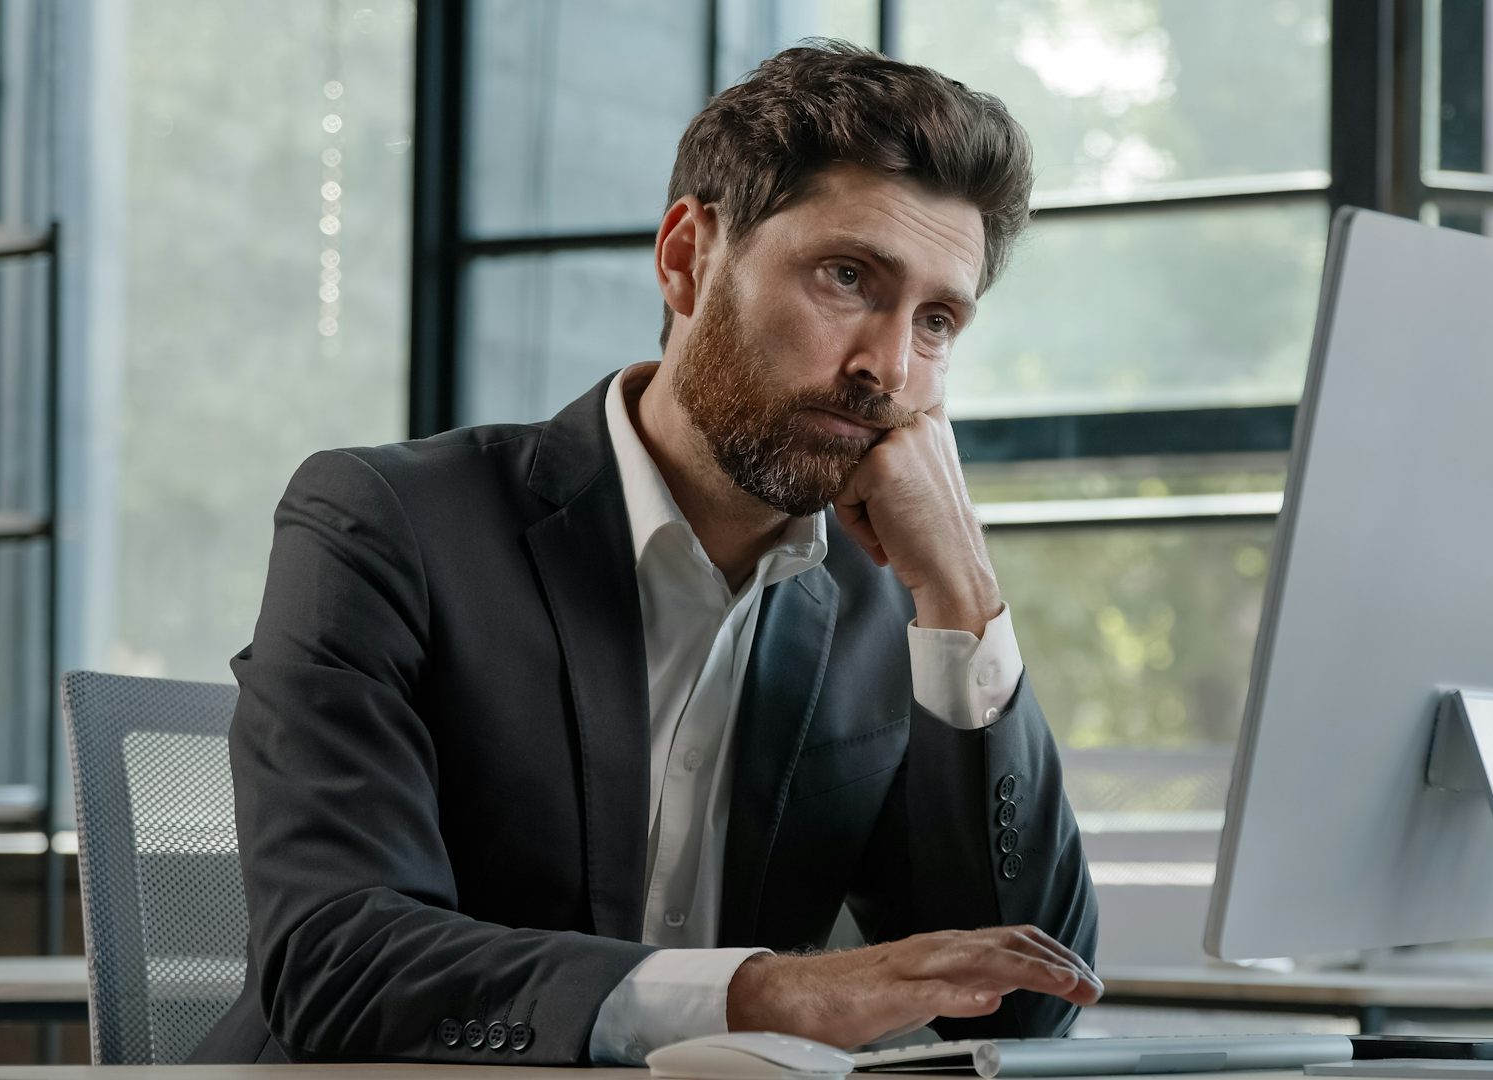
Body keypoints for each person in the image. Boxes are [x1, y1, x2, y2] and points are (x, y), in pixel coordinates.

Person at [190, 40, 1100, 1067]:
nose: (886, 368)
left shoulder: (886, 605)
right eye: (847, 277)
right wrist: (766, 995)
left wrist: (964, 595)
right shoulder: (385, 522)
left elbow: (1029, 1004)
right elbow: (337, 961)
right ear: (686, 258)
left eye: (936, 321)